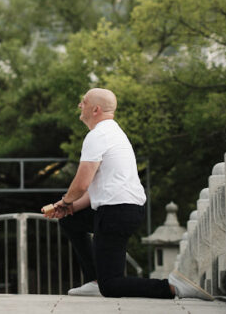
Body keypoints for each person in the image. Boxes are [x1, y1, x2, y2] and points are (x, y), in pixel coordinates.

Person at [43, 88, 212, 300]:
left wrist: (65, 200)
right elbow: (100, 187)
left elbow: (82, 183)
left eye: (83, 102)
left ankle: (172, 287)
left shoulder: (98, 135)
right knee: (71, 220)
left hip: (116, 212)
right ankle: (94, 280)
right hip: (124, 209)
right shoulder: (113, 132)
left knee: (112, 286)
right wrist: (70, 207)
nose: (80, 105)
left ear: (95, 109)